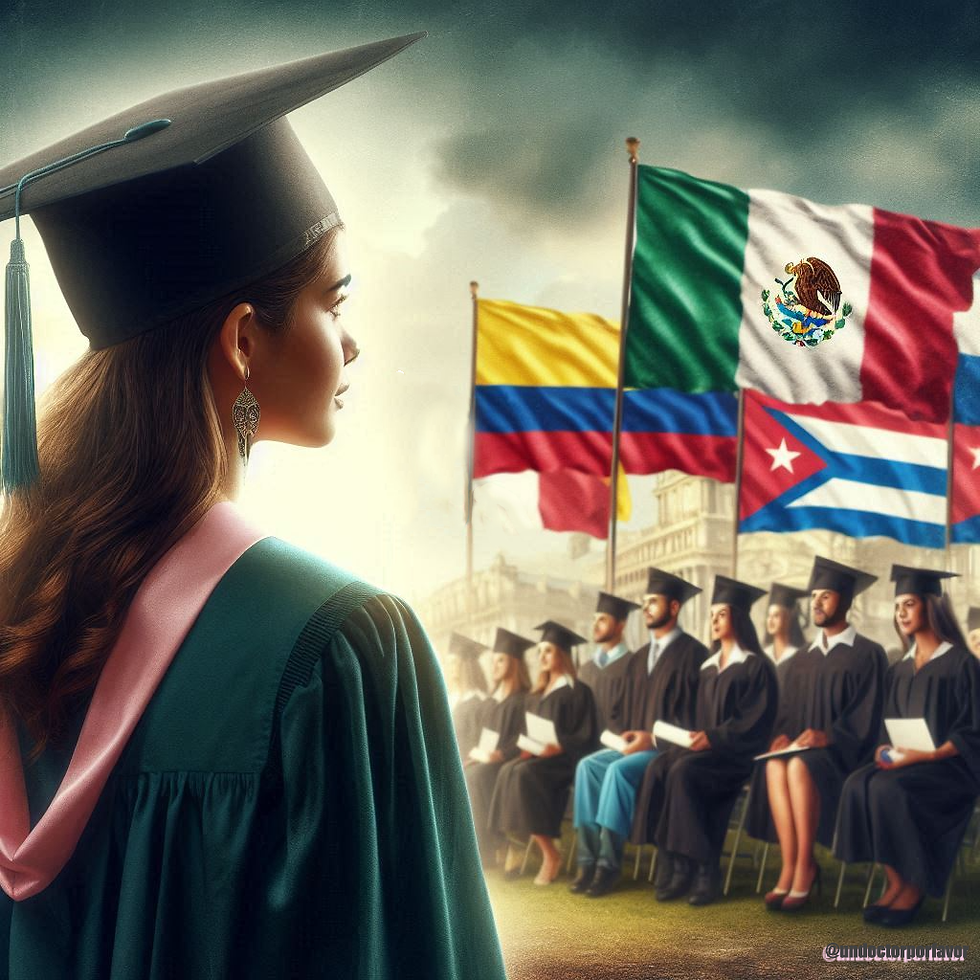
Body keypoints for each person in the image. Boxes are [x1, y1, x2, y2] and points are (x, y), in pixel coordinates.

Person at [0, 37, 507, 980]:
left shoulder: (21, 613)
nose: (350, 345)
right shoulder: (341, 647)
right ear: (243, 339)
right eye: (332, 298)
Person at [834, 566, 980, 927]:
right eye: (897, 605)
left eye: (909, 603)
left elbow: (974, 730)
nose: (901, 612)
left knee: (889, 789)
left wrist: (930, 755)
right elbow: (887, 727)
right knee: (858, 783)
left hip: (950, 769)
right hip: (907, 764)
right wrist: (884, 752)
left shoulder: (963, 664)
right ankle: (895, 881)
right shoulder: (898, 669)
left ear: (930, 606)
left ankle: (913, 885)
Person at [745, 556, 886, 913]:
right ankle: (790, 865)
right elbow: (789, 714)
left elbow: (869, 717)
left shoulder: (868, 654)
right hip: (802, 754)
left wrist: (830, 736)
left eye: (826, 596)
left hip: (844, 759)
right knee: (776, 765)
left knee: (795, 767)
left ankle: (805, 865)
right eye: (815, 596)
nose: (817, 603)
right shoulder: (802, 659)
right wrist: (781, 736)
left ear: (845, 600)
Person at [631, 576, 777, 906]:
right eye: (711, 615)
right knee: (659, 767)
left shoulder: (755, 667)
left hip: (737, 757)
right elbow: (697, 718)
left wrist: (711, 738)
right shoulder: (708, 668)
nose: (713, 621)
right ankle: (673, 860)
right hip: (704, 752)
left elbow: (753, 724)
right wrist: (689, 736)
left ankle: (703, 869)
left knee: (683, 772)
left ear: (738, 618)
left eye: (720, 614)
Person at [571, 568, 706, 899]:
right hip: (635, 748)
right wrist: (626, 735)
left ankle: (608, 864)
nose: (646, 608)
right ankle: (586, 860)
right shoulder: (639, 658)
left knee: (616, 771)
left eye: (653, 602)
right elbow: (619, 711)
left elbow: (696, 716)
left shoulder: (694, 654)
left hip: (668, 752)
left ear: (674, 607)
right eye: (644, 603)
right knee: (587, 767)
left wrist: (653, 739)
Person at [488, 621, 598, 886]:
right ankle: (514, 840)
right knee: (507, 770)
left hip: (564, 761)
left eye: (548, 650)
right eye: (540, 652)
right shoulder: (535, 695)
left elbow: (586, 735)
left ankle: (550, 854)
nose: (542, 657)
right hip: (538, 757)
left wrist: (558, 746)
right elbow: (529, 731)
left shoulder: (578, 691)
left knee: (523, 773)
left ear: (562, 653)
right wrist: (529, 746)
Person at [463, 628, 533, 865]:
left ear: (514, 662)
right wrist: (478, 754)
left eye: (500, 660)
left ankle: (499, 844)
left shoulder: (525, 699)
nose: (494, 666)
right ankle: (484, 848)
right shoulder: (491, 701)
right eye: (493, 661)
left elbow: (525, 737)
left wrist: (500, 754)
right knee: (469, 772)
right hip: (489, 759)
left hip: (510, 760)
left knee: (477, 776)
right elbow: (484, 737)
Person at [577, 591, 640, 733]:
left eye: (602, 620)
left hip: (621, 747)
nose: (595, 626)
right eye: (594, 619)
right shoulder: (585, 670)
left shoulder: (636, 666)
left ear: (620, 626)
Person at [445, 632, 490, 758]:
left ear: (465, 665)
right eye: (449, 663)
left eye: (454, 662)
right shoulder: (450, 700)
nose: (450, 667)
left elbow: (480, 744)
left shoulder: (480, 702)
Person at [763, 582, 809, 687]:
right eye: (769, 615)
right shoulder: (764, 655)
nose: (770, 620)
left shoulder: (799, 657)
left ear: (788, 619)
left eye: (776, 616)